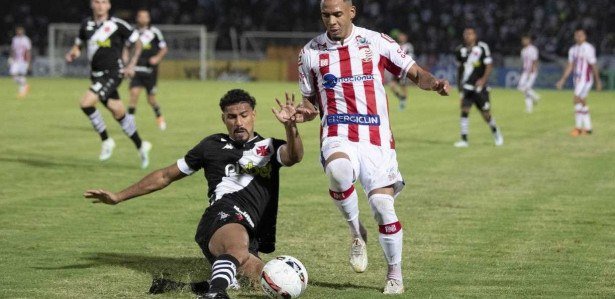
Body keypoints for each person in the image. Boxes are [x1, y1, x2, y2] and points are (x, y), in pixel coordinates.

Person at [84, 89, 304, 299]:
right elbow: (165, 175)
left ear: (253, 115)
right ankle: (214, 294)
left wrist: (291, 127)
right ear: (223, 119)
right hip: (221, 217)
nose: (238, 122)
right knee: (236, 248)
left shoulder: (269, 147)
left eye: (243, 115)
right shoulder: (211, 145)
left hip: (249, 230)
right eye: (231, 117)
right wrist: (118, 196)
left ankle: (192, 287)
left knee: (265, 282)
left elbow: (294, 156)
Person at [295, 0, 449, 294]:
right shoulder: (310, 53)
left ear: (351, 12)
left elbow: (416, 74)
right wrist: (304, 113)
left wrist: (434, 83)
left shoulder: (376, 42)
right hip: (337, 132)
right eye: (326, 15)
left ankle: (395, 274)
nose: (332, 21)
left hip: (376, 139)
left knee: (381, 206)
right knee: (339, 171)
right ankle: (356, 233)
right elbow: (309, 103)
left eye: (338, 14)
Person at [65, 0, 152, 168]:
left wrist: (131, 64)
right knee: (118, 113)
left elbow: (138, 42)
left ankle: (106, 140)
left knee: (86, 103)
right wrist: (72, 54)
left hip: (113, 74)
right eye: (97, 2)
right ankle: (141, 146)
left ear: (109, 6)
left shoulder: (117, 25)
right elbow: (78, 45)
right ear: (92, 4)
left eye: (103, 2)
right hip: (96, 76)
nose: (100, 5)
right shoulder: (86, 25)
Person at [454, 27, 503, 148]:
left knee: (486, 114)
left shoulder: (482, 47)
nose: (467, 36)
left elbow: (489, 65)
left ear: (475, 35)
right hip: (467, 86)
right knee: (464, 110)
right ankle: (464, 140)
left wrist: (483, 80)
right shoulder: (460, 50)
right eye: (465, 34)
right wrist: (459, 87)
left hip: (480, 87)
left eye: (470, 34)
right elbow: (459, 69)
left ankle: (496, 133)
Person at [127, 9, 169, 130]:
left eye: (146, 16)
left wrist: (157, 58)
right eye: (141, 16)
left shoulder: (154, 32)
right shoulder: (132, 32)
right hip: (136, 69)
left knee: (151, 99)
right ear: (137, 18)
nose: (143, 18)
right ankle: (129, 123)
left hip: (150, 71)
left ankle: (159, 117)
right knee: (134, 94)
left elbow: (164, 48)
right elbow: (127, 47)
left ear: (149, 19)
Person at [556, 28, 602, 136]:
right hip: (577, 79)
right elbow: (570, 65)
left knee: (575, 99)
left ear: (585, 37)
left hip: (585, 79)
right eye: (576, 35)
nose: (578, 37)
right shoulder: (572, 50)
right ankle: (588, 127)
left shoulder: (588, 48)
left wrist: (598, 81)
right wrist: (563, 79)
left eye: (581, 35)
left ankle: (578, 128)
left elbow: (593, 64)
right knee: (582, 101)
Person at [387, 30, 414, 110]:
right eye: (400, 36)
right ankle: (402, 98)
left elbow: (410, 56)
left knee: (403, 85)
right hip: (396, 69)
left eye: (402, 36)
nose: (401, 37)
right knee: (391, 85)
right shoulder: (396, 45)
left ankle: (404, 102)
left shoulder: (408, 46)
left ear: (405, 37)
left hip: (403, 69)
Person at [517, 34, 540, 113]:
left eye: (525, 40)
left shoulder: (533, 49)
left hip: (531, 71)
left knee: (526, 88)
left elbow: (535, 60)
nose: (523, 41)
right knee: (520, 87)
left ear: (529, 40)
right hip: (525, 71)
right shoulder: (523, 50)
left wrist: (533, 70)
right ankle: (535, 97)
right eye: (522, 40)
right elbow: (523, 62)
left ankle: (529, 108)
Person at [9, 26, 32, 99]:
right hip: (16, 60)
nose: (19, 32)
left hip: (23, 61)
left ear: (23, 32)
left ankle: (22, 92)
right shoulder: (14, 39)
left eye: (20, 31)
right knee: (13, 75)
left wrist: (28, 62)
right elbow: (12, 50)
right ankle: (25, 85)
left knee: (22, 75)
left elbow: (28, 51)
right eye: (18, 31)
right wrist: (11, 58)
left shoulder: (26, 40)